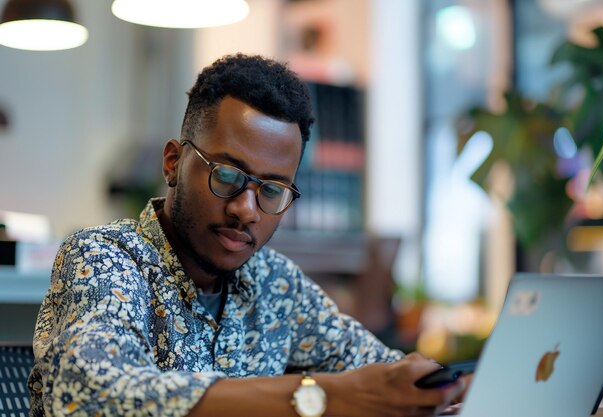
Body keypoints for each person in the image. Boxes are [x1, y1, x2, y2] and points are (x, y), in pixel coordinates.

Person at [28, 53, 465, 417]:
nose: (245, 209)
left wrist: (448, 389)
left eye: (272, 190)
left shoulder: (275, 284)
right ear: (173, 163)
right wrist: (323, 397)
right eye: (227, 175)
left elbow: (381, 373)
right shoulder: (106, 259)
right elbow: (94, 394)